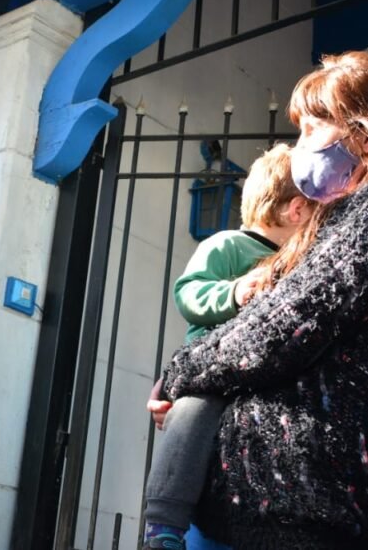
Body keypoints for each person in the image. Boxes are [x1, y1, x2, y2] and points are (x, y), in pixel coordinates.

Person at [159, 51, 368, 550]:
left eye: (311, 129)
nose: (299, 147)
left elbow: (278, 329)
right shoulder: (350, 219)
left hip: (301, 521)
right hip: (263, 516)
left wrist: (178, 374)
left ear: (363, 137)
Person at [142, 144, 314, 549]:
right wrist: (234, 292)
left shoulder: (302, 264)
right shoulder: (229, 245)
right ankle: (163, 523)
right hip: (211, 375)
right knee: (192, 417)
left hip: (261, 382)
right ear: (297, 210)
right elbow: (188, 293)